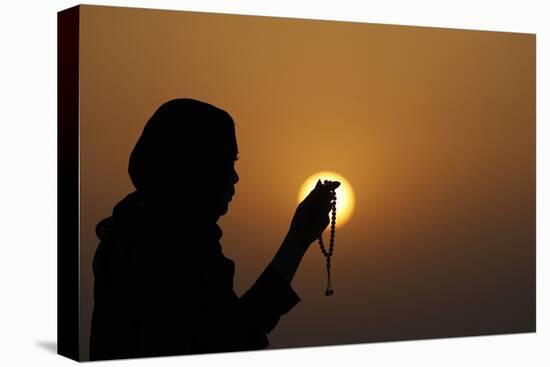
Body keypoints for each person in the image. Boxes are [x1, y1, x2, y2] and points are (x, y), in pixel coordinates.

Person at [89, 98, 340, 360]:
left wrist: (297, 239)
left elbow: (232, 328)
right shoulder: (169, 248)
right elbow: (233, 336)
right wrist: (296, 241)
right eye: (226, 163)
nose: (235, 177)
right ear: (193, 167)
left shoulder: (134, 230)